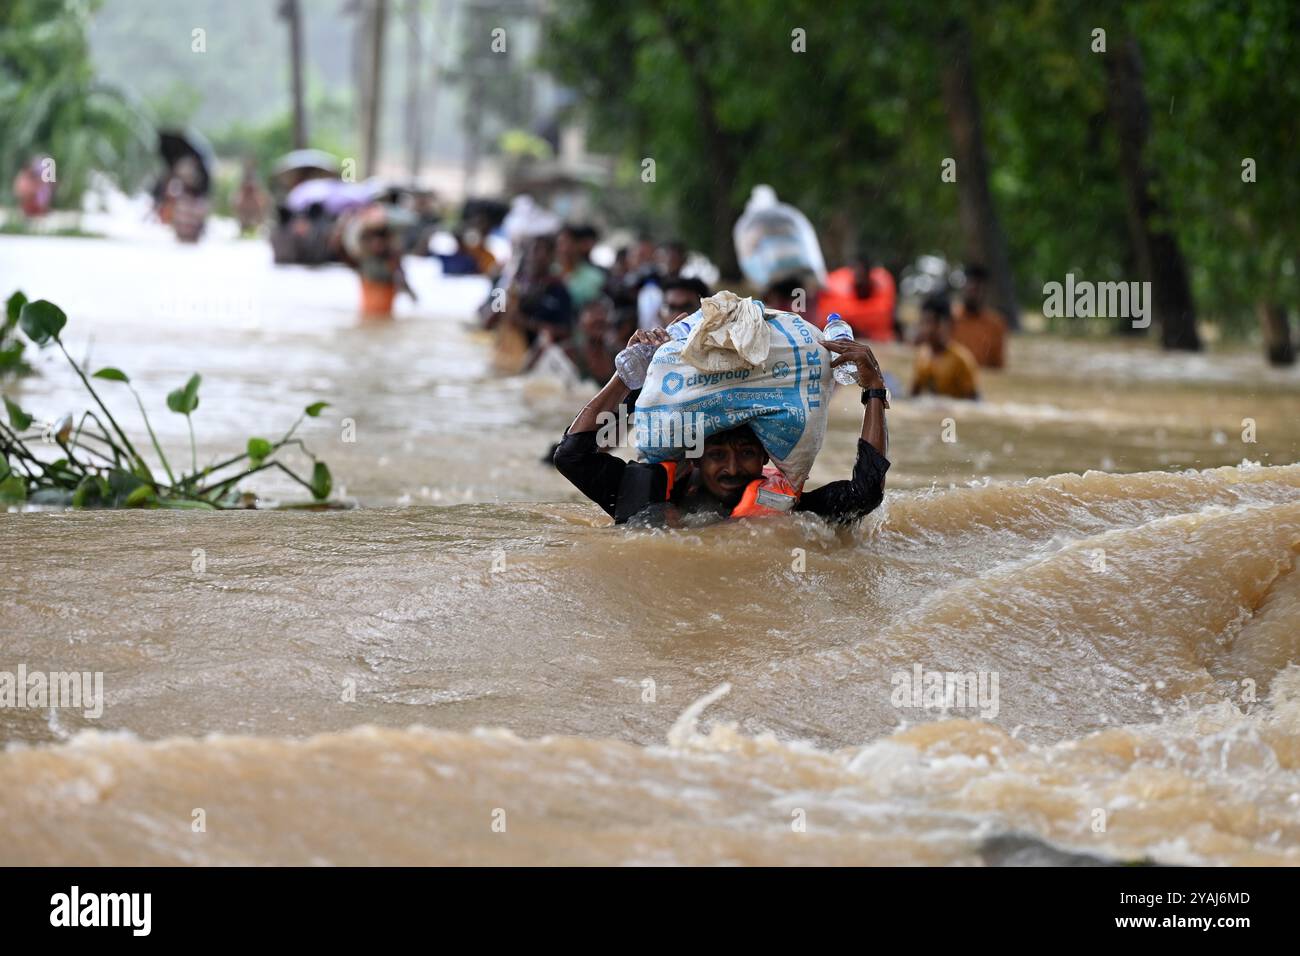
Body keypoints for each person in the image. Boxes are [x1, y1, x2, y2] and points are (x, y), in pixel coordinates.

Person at [554, 328, 890, 526]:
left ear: (765, 458)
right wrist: (627, 376)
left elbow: (865, 494)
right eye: (717, 454)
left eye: (746, 453)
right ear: (695, 456)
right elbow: (571, 456)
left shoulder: (786, 509)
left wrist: (873, 387)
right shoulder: (646, 492)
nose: (732, 468)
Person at [348, 208, 416, 318]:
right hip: (369, 298)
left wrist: (410, 293)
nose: (377, 244)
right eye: (374, 241)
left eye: (380, 241)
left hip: (386, 298)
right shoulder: (364, 257)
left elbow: (400, 274)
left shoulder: (392, 256)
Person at [817, 251, 897, 340]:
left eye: (861, 270)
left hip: (877, 338)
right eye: (855, 269)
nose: (858, 273)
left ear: (868, 272)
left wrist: (854, 315)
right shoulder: (837, 286)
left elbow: (883, 313)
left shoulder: (882, 287)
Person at [911, 296, 979, 399]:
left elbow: (974, 403)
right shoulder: (922, 356)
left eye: (931, 322)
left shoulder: (961, 360)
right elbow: (913, 397)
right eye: (924, 322)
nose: (927, 329)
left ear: (947, 324)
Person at [951, 264, 1007, 368]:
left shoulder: (995, 324)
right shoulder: (950, 319)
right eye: (970, 285)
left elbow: (998, 366)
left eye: (977, 288)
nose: (973, 291)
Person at [557, 224, 607, 310]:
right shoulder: (550, 272)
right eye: (560, 243)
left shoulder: (595, 277)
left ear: (579, 245)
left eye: (569, 243)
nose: (564, 249)